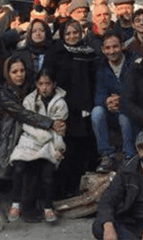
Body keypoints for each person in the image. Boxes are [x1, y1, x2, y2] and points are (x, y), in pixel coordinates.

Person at [0, 58, 67, 188]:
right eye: (14, 72)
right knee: (22, 164)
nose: (19, 75)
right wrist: (50, 123)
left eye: (22, 70)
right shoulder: (3, 92)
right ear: (7, 73)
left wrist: (58, 124)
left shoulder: (31, 88)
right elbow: (22, 113)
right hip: (10, 135)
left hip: (33, 132)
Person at [45, 18, 98, 199]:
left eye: (75, 32)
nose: (72, 36)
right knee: (65, 151)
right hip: (63, 107)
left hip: (84, 107)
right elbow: (48, 79)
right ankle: (58, 192)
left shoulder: (89, 53)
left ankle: (76, 190)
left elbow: (93, 80)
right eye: (68, 33)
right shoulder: (55, 53)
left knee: (81, 150)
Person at [9, 68, 68, 224]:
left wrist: (58, 148)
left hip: (49, 143)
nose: (44, 88)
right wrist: (44, 133)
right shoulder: (29, 100)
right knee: (19, 167)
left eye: (47, 84)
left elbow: (59, 130)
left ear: (54, 84)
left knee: (48, 173)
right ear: (36, 84)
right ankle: (15, 203)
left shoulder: (60, 103)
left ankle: (47, 207)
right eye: (40, 84)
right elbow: (27, 124)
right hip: (30, 139)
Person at [93, 31, 137, 173]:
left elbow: (139, 90)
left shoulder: (133, 63)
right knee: (96, 112)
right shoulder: (101, 67)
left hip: (131, 110)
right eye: (108, 48)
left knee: (125, 115)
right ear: (103, 49)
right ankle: (107, 155)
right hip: (111, 111)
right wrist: (107, 100)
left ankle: (129, 156)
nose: (112, 51)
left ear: (122, 46)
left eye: (115, 46)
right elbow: (98, 92)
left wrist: (121, 100)